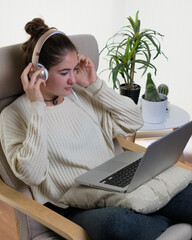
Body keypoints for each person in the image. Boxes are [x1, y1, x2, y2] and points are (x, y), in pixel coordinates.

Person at [1, 18, 192, 240]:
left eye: (75, 69)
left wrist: (95, 84)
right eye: (64, 73)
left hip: (115, 184)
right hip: (73, 204)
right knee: (118, 226)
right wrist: (37, 107)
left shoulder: (81, 95)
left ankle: (157, 217)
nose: (73, 79)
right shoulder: (13, 116)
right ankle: (166, 219)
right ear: (38, 73)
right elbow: (32, 175)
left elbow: (133, 122)